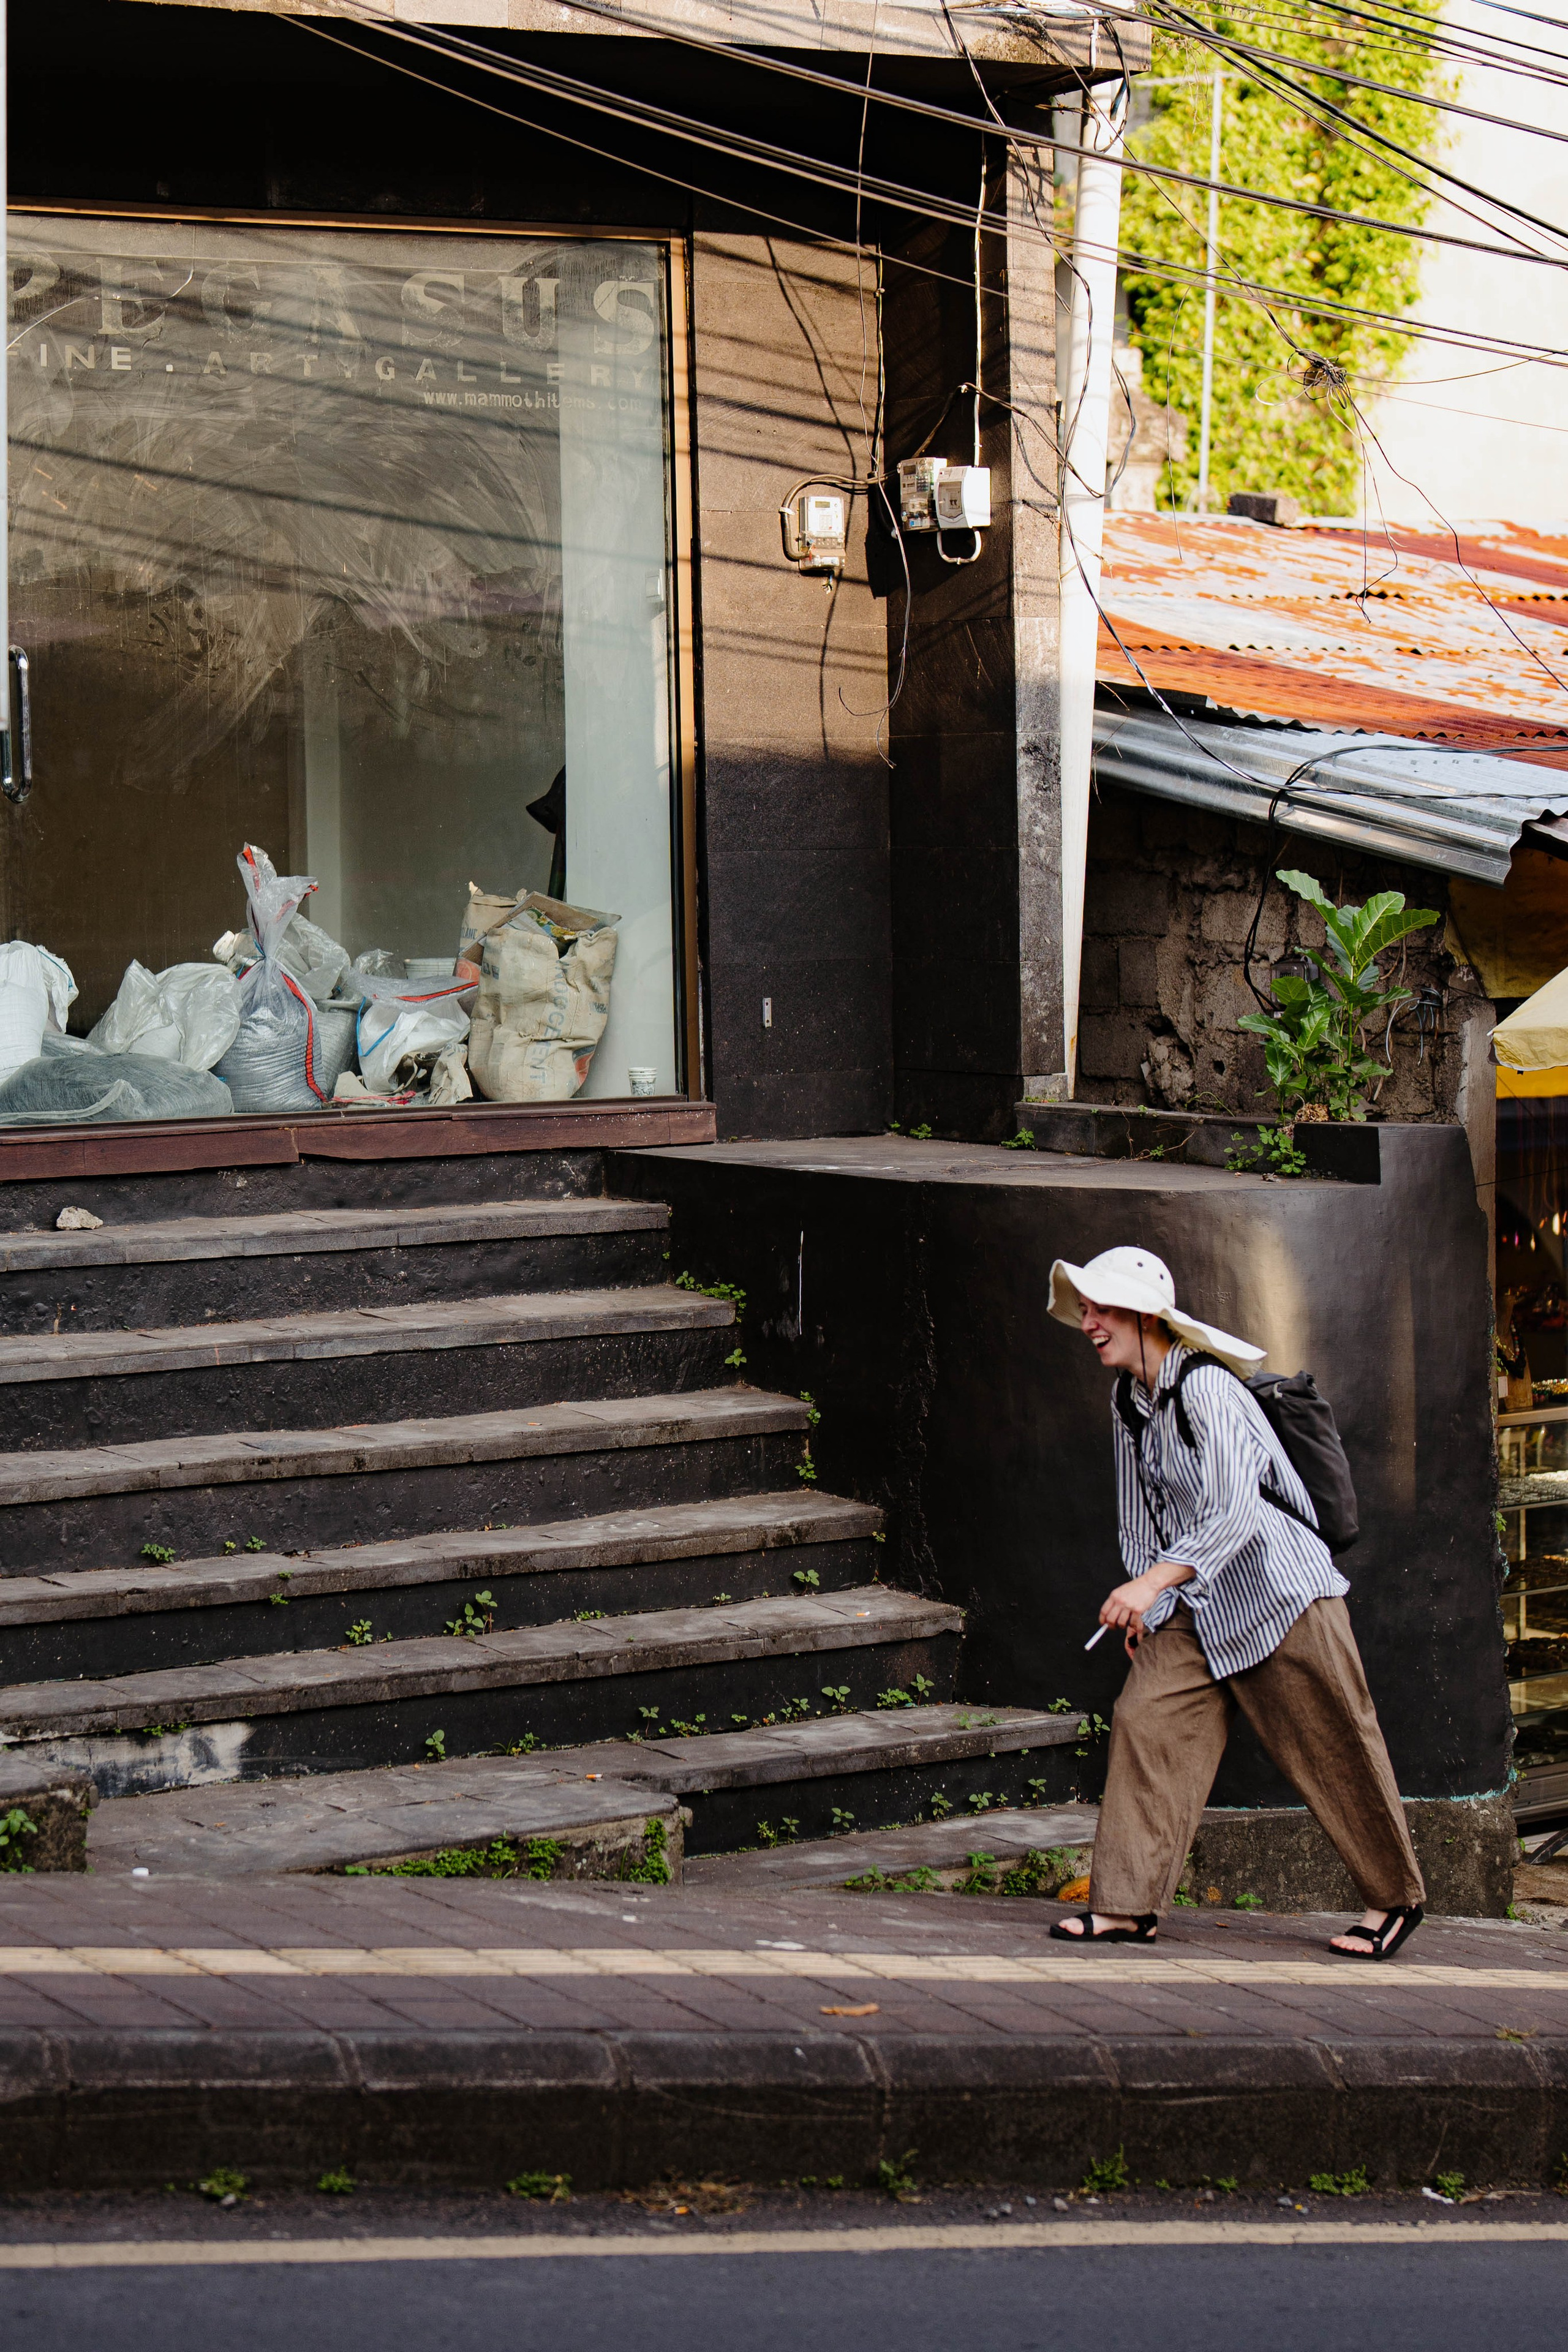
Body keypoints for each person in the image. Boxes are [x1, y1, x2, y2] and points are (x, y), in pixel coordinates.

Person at [1046, 1244, 1425, 1960]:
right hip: (1199, 1601)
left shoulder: (1207, 1390)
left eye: (1099, 1309)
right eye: (1085, 1310)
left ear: (1142, 1315)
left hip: (1281, 1592)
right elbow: (1140, 1516)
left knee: (1333, 1742)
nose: (1089, 1322)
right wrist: (1153, 1606)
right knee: (1145, 1718)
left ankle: (1392, 1901)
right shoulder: (1129, 1400)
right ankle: (1126, 1907)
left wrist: (1154, 1583)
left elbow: (1232, 1510)